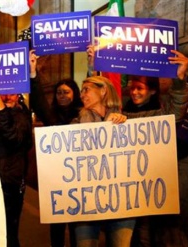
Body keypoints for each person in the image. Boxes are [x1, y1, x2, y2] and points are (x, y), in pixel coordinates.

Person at [120, 50, 188, 247]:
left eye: (140, 88)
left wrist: (179, 79)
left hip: (151, 184)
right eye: (133, 88)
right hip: (126, 184)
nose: (134, 92)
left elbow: (177, 107)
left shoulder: (161, 114)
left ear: (152, 90)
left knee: (147, 234)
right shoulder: (121, 113)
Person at [28, 49, 82, 247]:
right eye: (59, 93)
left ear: (74, 94)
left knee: (78, 226)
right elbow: (39, 101)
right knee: (57, 225)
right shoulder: (52, 117)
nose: (61, 96)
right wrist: (33, 74)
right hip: (58, 179)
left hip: (79, 178)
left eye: (66, 92)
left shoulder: (84, 115)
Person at [72, 76, 129, 247]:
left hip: (122, 203)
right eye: (81, 92)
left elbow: (172, 114)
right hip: (87, 204)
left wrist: (179, 82)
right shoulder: (76, 124)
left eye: (86, 90)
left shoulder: (126, 120)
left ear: (103, 90)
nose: (82, 95)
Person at [0, 92, 33, 247]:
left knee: (8, 233)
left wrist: (1, 110)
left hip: (9, 184)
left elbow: (15, 139)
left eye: (11, 93)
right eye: (2, 93)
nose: (6, 97)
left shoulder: (21, 114)